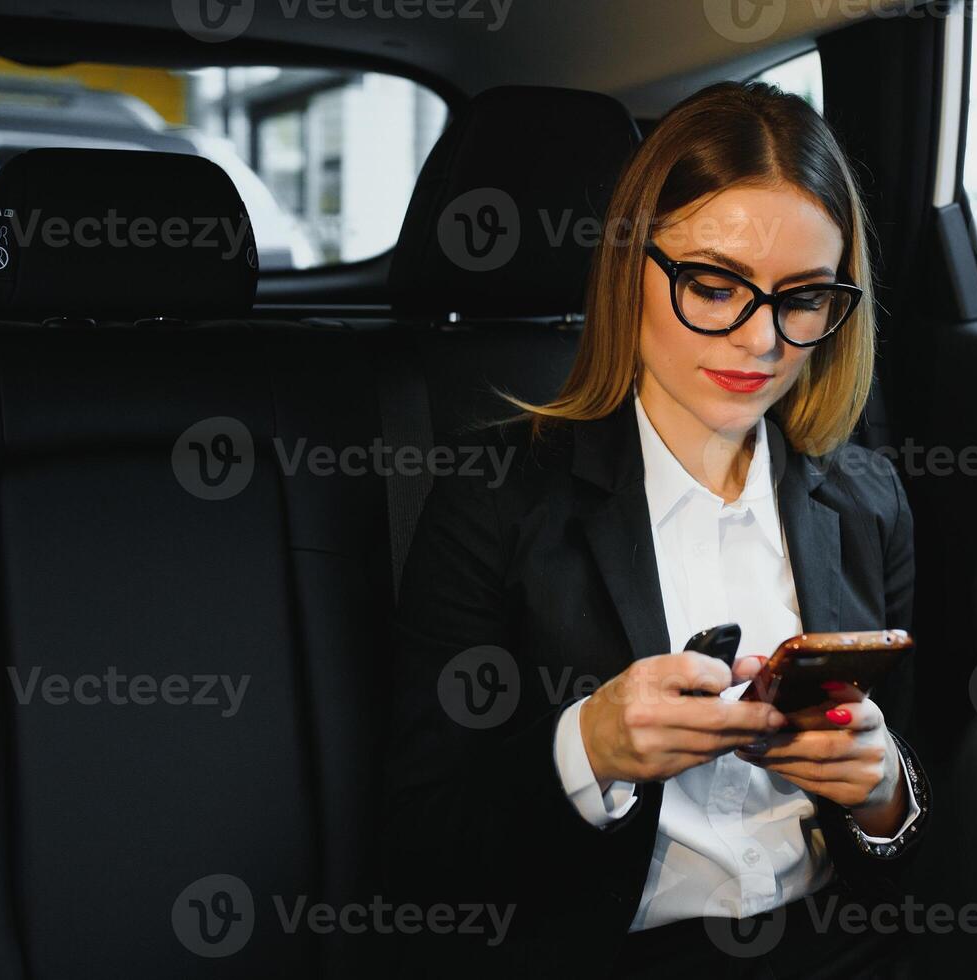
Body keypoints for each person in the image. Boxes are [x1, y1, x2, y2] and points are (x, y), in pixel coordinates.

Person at [388, 80, 928, 980]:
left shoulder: (869, 500)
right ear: (629, 266)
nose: (760, 342)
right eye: (714, 286)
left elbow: (909, 823)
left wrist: (881, 793)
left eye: (803, 299)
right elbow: (420, 847)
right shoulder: (497, 496)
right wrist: (587, 748)